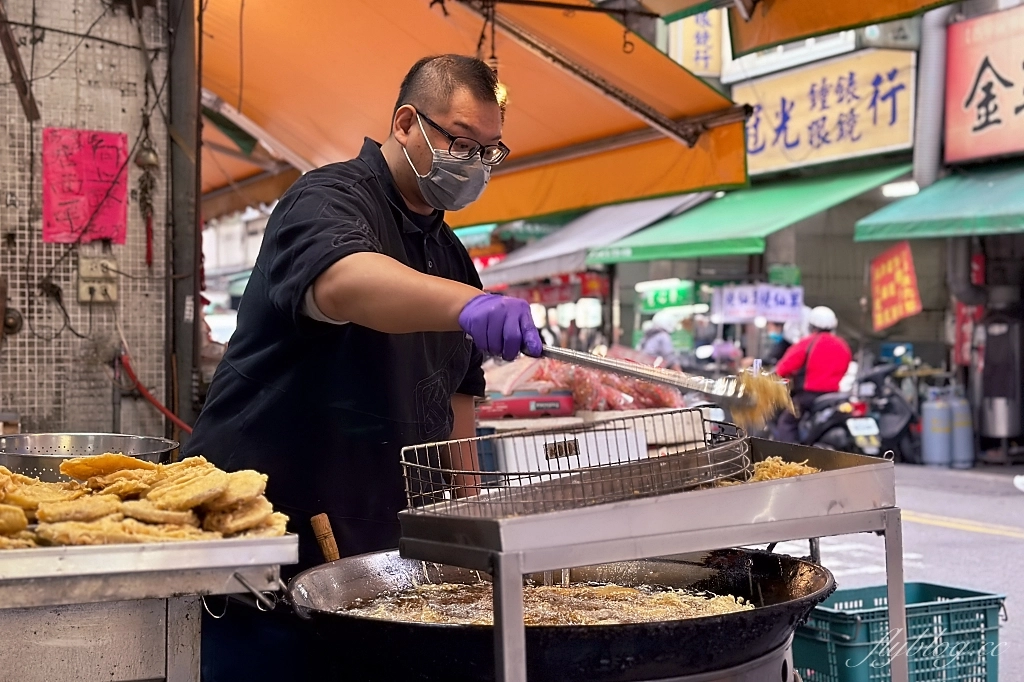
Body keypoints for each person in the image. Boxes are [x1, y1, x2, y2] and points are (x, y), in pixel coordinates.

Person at [186, 55, 541, 681]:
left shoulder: (451, 254)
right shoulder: (327, 196)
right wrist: (469, 306)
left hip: (375, 568)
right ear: (406, 122)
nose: (473, 165)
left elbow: (458, 405)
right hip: (262, 553)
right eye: (462, 142)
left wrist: (467, 535)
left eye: (490, 152)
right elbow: (345, 281)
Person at [773, 306, 852, 444]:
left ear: (810, 325)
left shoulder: (807, 343)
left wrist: (774, 376)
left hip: (808, 396)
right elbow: (845, 367)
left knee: (787, 422)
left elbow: (784, 367)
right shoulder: (843, 345)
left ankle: (789, 457)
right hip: (834, 396)